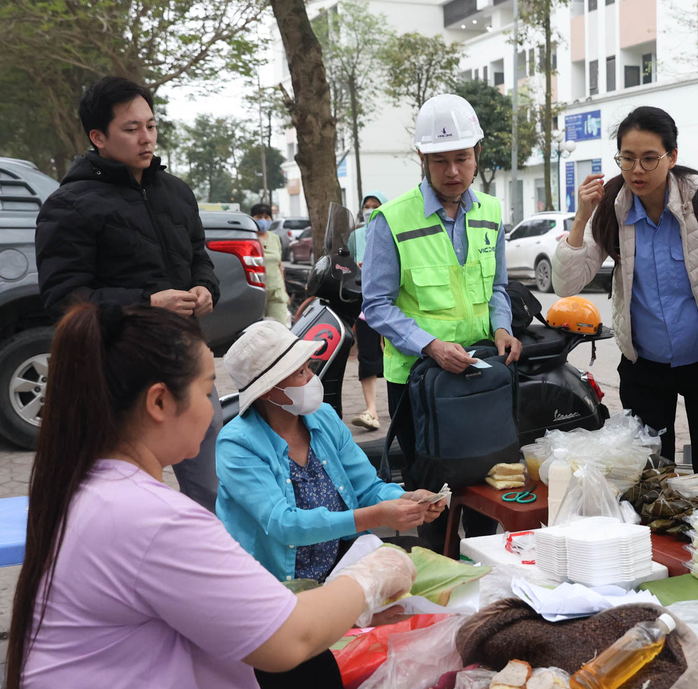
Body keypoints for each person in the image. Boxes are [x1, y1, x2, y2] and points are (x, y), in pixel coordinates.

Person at [0, 302, 416, 689]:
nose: (214, 407)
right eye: (206, 389)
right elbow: (291, 637)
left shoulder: (88, 487)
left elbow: (364, 491)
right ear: (159, 402)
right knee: (307, 666)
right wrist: (372, 575)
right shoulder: (156, 515)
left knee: (311, 677)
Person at [35, 76, 223, 513]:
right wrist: (147, 303)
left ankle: (204, 553)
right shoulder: (68, 205)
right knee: (127, 495)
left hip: (184, 358)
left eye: (151, 126)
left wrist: (205, 287)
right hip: (116, 370)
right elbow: (63, 297)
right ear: (98, 137)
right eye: (131, 128)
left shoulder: (176, 193)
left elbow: (199, 257)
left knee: (211, 490)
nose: (146, 138)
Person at [360, 94, 520, 549]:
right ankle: (438, 567)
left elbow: (498, 287)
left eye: (462, 158)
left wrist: (503, 328)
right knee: (432, 500)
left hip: (479, 375)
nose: (453, 171)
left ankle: (484, 565)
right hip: (419, 383)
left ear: (477, 154)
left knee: (489, 486)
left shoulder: (491, 212)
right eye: (440, 161)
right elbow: (376, 305)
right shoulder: (390, 220)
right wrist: (430, 345)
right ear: (422, 159)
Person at [554, 106, 698, 476]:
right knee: (650, 474)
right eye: (627, 158)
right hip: (645, 366)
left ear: (672, 157)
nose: (636, 170)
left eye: (649, 158)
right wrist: (581, 217)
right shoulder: (611, 207)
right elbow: (566, 284)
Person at [216, 320, 446, 581]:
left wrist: (405, 499)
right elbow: (284, 524)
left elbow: (367, 487)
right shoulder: (237, 444)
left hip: (339, 559)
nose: (311, 378)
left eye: (309, 368)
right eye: (300, 373)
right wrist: (376, 516)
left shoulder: (323, 418)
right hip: (274, 580)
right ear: (267, 391)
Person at [349, 192, 389, 431]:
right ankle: (371, 410)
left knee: (399, 353)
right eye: (366, 206)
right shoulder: (356, 236)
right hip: (366, 303)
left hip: (395, 303)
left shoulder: (393, 231)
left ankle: (401, 406)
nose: (370, 210)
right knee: (367, 353)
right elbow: (347, 266)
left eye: (375, 206)